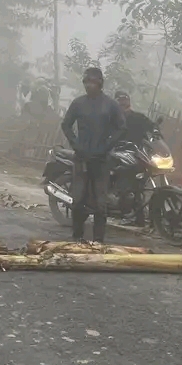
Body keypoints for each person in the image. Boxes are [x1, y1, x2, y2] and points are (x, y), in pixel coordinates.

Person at [61, 67, 126, 243]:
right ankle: (77, 237)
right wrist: (76, 145)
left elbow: (121, 127)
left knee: (100, 203)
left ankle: (98, 241)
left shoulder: (110, 105)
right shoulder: (78, 103)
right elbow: (66, 125)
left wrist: (107, 146)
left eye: (92, 82)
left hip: (102, 159)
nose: (89, 85)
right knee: (78, 200)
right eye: (86, 82)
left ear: (100, 83)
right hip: (82, 158)